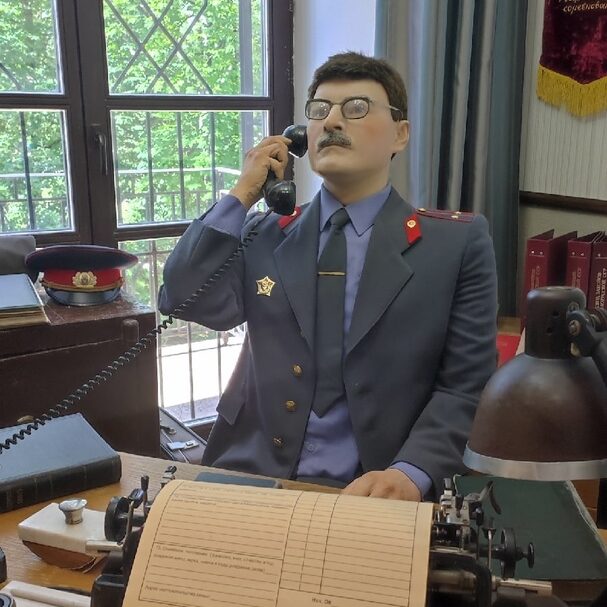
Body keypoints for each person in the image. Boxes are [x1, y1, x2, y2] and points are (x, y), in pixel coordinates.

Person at [158, 51, 498, 501]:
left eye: (356, 107)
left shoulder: (454, 244)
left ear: (400, 134)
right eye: (319, 110)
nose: (332, 121)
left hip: (377, 487)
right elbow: (182, 298)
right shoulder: (264, 232)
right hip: (253, 475)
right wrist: (242, 193)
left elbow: (465, 387)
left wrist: (411, 473)